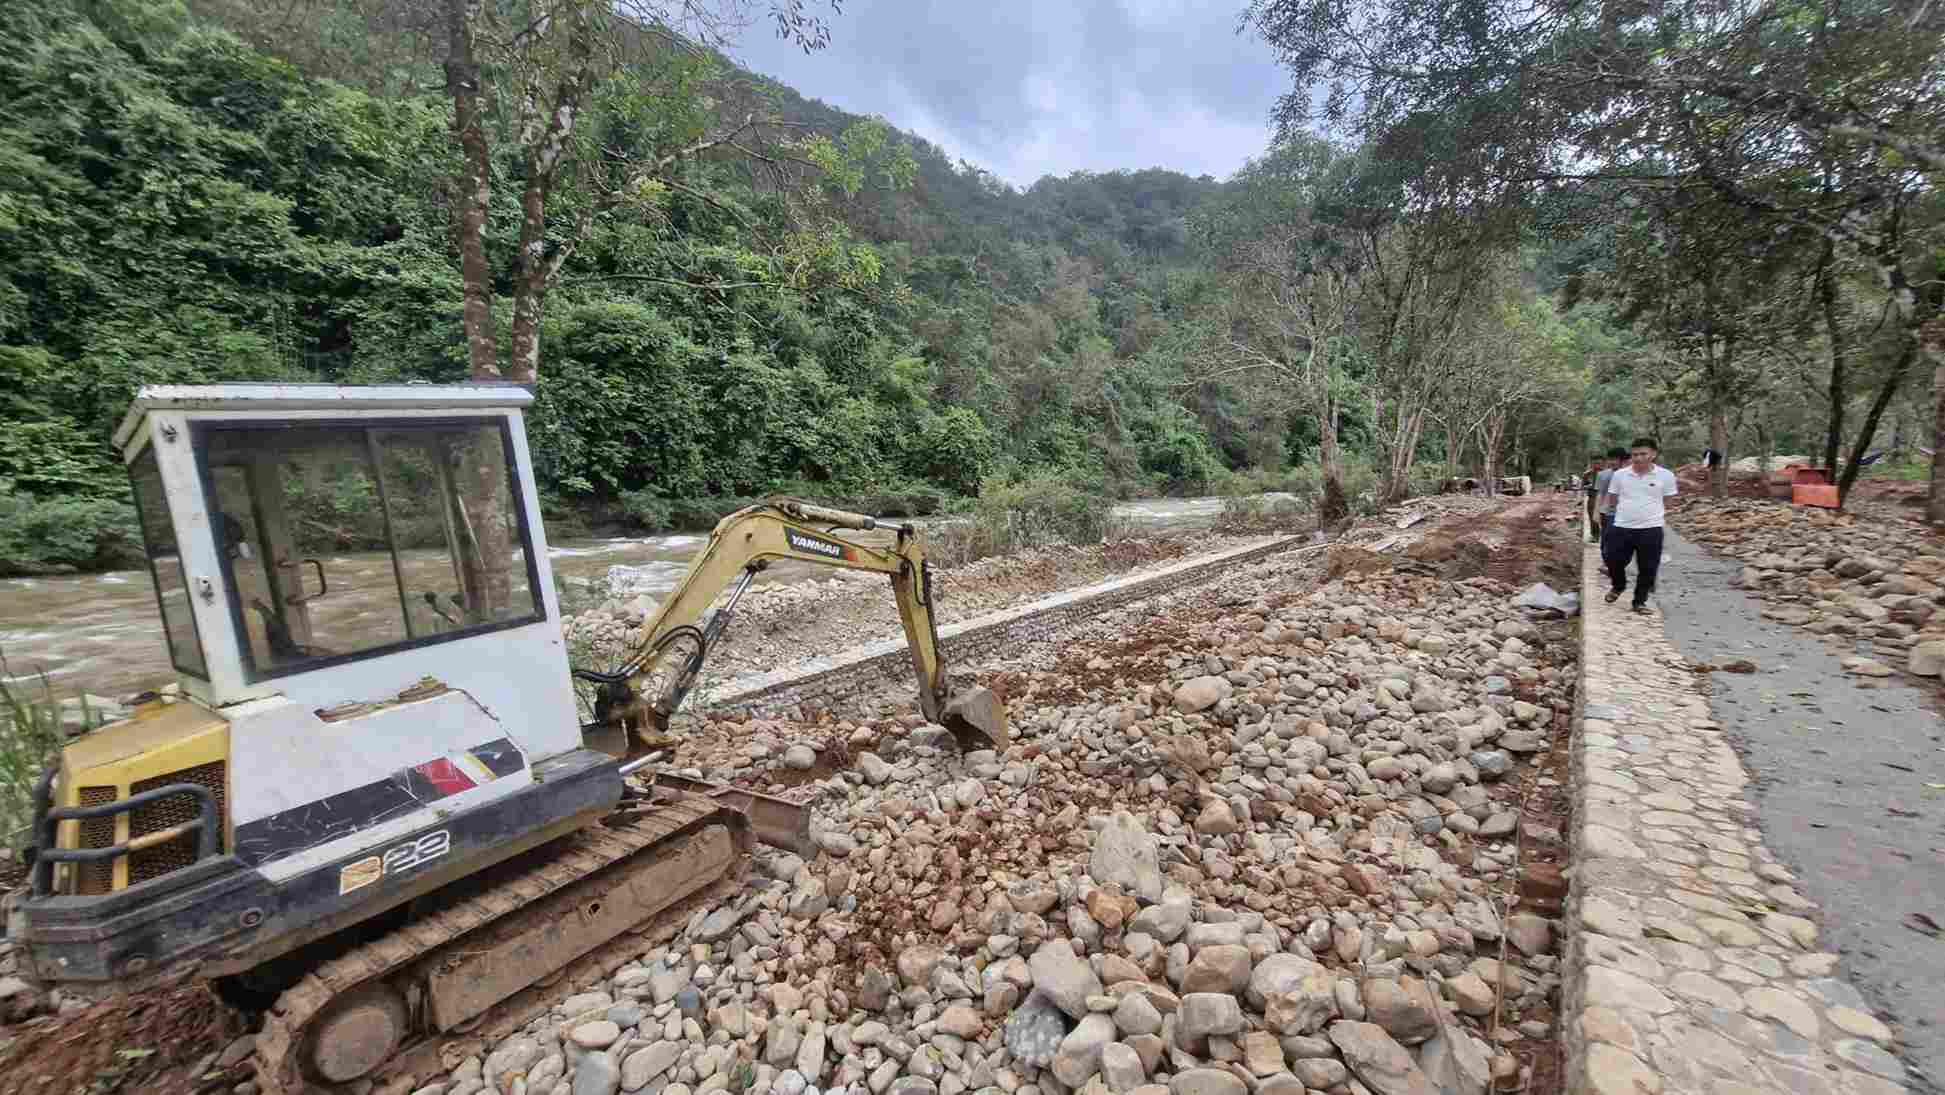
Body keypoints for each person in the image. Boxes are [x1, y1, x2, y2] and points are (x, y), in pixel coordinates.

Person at [1603, 437, 1678, 614]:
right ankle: (1619, 585)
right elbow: (1613, 499)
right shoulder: (1620, 475)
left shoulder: (1666, 476)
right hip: (1622, 526)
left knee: (1648, 567)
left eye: (1643, 454)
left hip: (1651, 528)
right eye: (1635, 454)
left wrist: (1651, 513)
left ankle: (1639, 602)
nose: (1638, 458)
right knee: (1613, 560)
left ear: (1653, 454)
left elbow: (1668, 500)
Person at [1593, 447, 1627, 543]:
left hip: (1624, 512)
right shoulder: (1602, 475)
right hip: (1606, 512)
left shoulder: (1630, 475)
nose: (1611, 462)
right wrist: (1596, 512)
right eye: (1610, 459)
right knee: (1606, 539)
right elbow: (1600, 494)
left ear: (1622, 460)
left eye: (1614, 459)